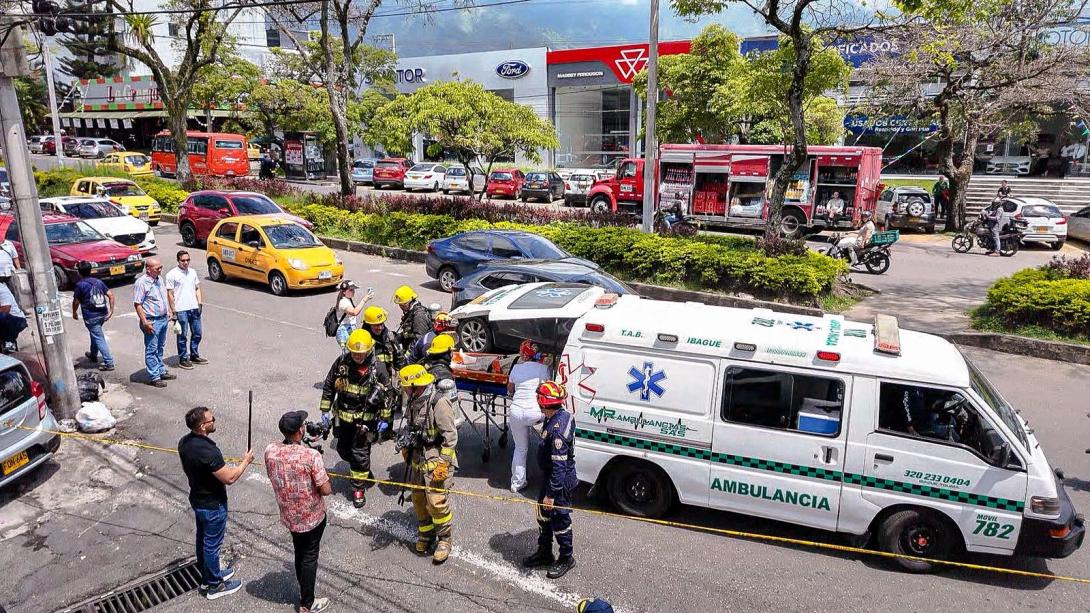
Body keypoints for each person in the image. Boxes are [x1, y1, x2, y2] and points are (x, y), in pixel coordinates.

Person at [178, 406, 253, 600]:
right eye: (212, 420)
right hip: (212, 504)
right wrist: (245, 461)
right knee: (211, 545)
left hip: (197, 498)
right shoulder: (208, 451)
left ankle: (208, 574)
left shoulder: (184, 442)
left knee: (203, 540)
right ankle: (214, 585)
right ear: (203, 426)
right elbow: (229, 477)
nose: (215, 422)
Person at [264, 410, 333, 613]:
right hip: (311, 517)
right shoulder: (311, 456)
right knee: (310, 556)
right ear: (300, 430)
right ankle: (307, 603)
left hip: (289, 515)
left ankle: (305, 595)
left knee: (299, 552)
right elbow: (326, 489)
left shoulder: (270, 450)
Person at [318, 329, 390, 508]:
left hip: (365, 423)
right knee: (343, 450)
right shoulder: (342, 363)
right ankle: (363, 470)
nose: (358, 356)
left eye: (361, 353)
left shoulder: (378, 368)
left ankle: (358, 488)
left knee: (360, 453)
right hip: (342, 420)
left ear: (369, 350)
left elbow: (388, 395)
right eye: (355, 353)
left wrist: (385, 419)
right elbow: (329, 386)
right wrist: (325, 411)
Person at [399, 364, 458, 564]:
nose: (404, 390)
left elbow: (450, 437)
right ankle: (426, 533)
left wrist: (444, 463)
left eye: (406, 387)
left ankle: (444, 540)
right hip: (418, 459)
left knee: (436, 502)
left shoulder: (439, 403)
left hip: (437, 459)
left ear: (416, 386)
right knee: (418, 499)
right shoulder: (413, 400)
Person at [522, 381, 578, 579]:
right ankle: (544, 552)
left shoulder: (557, 432)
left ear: (544, 404)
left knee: (560, 521)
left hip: (558, 483)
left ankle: (566, 558)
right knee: (543, 516)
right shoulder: (560, 415)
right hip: (550, 478)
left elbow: (559, 467)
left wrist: (551, 495)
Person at [508, 340, 551, 493]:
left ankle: (517, 483)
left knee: (520, 448)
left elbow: (510, 389)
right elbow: (547, 389)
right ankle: (549, 479)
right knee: (548, 443)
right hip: (536, 413)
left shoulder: (516, 368)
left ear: (523, 354)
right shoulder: (544, 369)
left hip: (516, 412)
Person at [363, 305, 405, 435]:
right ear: (368, 324)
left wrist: (399, 374)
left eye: (382, 324)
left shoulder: (390, 337)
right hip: (370, 379)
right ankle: (369, 431)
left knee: (390, 402)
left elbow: (399, 356)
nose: (380, 327)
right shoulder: (363, 339)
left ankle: (387, 431)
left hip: (388, 377)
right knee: (371, 404)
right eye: (376, 325)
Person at [134, 258, 175, 387]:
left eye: (160, 267)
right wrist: (145, 322)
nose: (160, 270)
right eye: (157, 268)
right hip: (151, 321)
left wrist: (168, 310)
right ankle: (154, 376)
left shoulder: (159, 280)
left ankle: (161, 370)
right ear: (148, 269)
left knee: (160, 347)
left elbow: (162, 297)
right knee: (151, 349)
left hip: (163, 319)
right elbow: (138, 304)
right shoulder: (142, 283)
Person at [165, 250, 206, 370]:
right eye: (183, 260)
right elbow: (170, 294)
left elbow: (197, 288)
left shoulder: (192, 272)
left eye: (188, 260)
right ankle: (183, 358)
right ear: (178, 261)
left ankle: (194, 355)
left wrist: (199, 303)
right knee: (182, 335)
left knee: (197, 333)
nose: (186, 263)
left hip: (194, 308)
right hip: (181, 310)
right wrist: (173, 311)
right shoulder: (171, 274)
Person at [72, 261, 115, 371]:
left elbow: (76, 301)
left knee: (98, 337)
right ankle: (93, 355)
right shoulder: (98, 282)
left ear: (79, 272)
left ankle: (109, 362)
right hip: (102, 314)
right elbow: (110, 295)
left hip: (91, 316)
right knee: (95, 334)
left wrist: (74, 312)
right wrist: (111, 311)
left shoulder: (80, 285)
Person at [393, 285, 431, 358]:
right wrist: (396, 338)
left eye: (403, 305)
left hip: (418, 354)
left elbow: (419, 338)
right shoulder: (410, 312)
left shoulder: (419, 316)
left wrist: (408, 355)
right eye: (400, 305)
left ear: (410, 301)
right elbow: (408, 333)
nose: (400, 307)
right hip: (411, 348)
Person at [333, 281, 371, 352]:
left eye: (353, 289)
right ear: (344, 292)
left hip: (349, 328)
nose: (353, 291)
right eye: (350, 290)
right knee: (348, 354)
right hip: (344, 331)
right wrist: (364, 300)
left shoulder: (347, 299)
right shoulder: (343, 302)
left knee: (353, 352)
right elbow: (354, 312)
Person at [0, 275, 27, 354]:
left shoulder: (1, 289)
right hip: (8, 321)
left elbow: (6, 309)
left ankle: (9, 343)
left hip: (16, 320)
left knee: (2, 316)